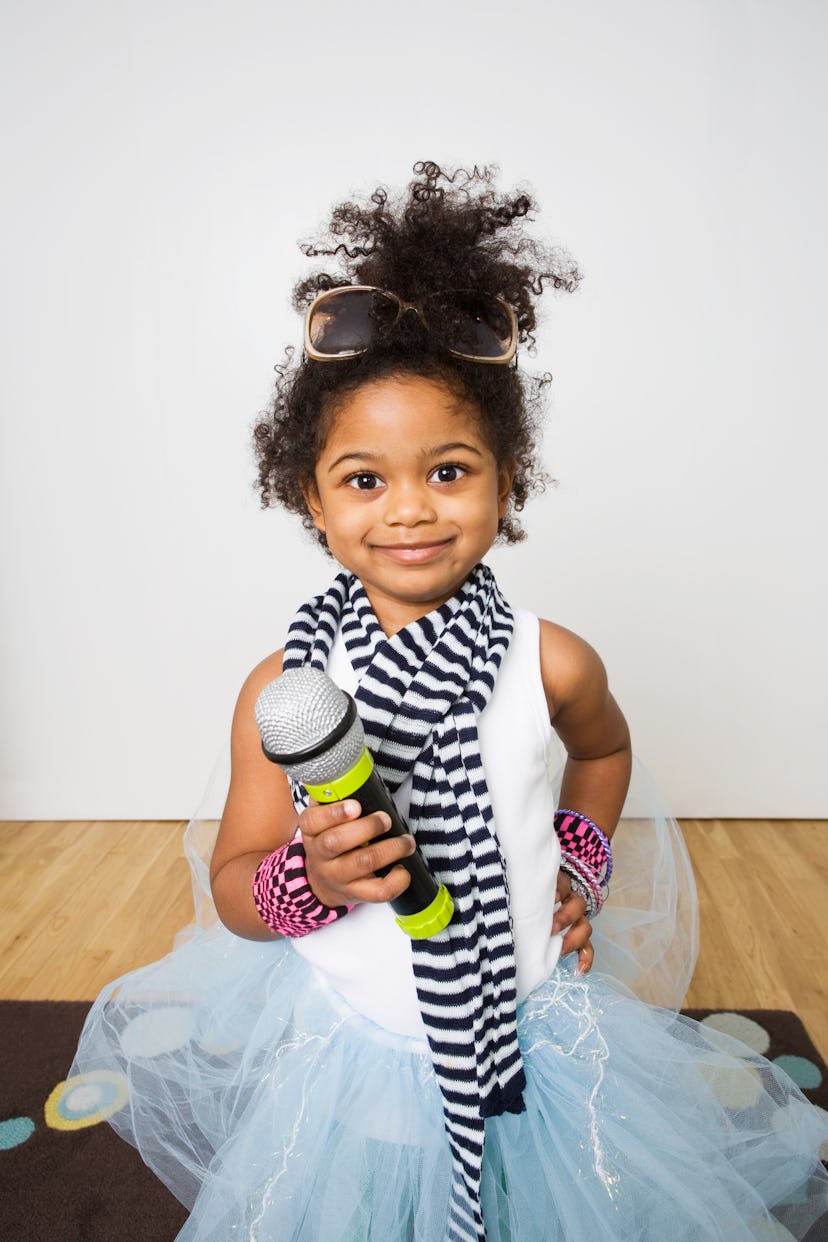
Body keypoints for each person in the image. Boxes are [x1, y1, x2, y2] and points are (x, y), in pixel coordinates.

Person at [70, 162, 828, 1241]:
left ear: (508, 477)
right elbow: (237, 889)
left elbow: (603, 753)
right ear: (312, 499)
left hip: (522, 1013)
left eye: (452, 470)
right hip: (354, 1035)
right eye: (366, 480)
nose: (411, 511)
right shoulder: (284, 688)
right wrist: (309, 876)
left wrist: (579, 859)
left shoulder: (548, 662)